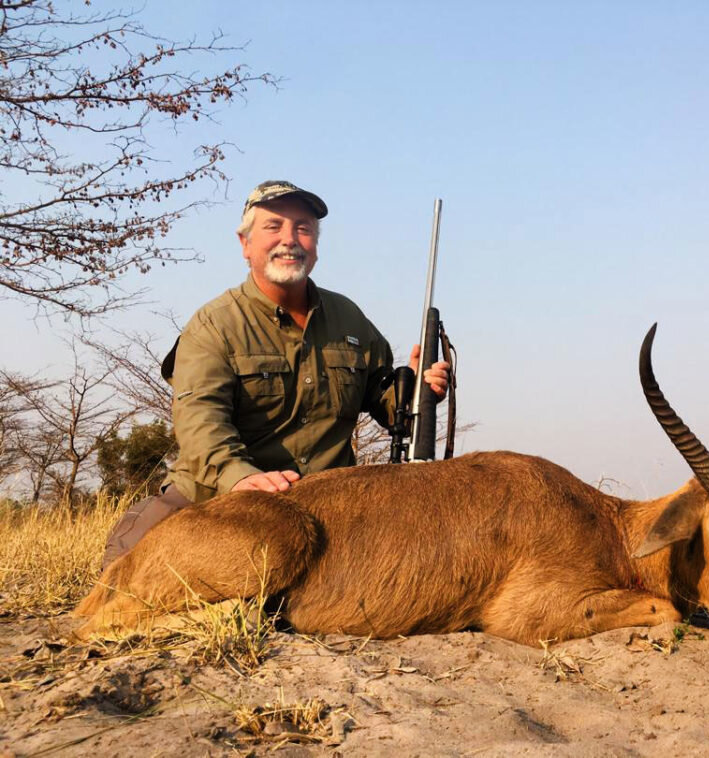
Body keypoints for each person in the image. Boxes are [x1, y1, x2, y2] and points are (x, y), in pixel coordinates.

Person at [102, 180, 450, 568]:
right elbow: (200, 420)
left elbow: (384, 400)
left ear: (315, 245)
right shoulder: (214, 324)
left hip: (326, 503)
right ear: (245, 243)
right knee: (124, 576)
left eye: (303, 228)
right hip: (222, 495)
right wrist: (240, 478)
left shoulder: (349, 318)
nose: (290, 239)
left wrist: (417, 390)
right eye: (273, 227)